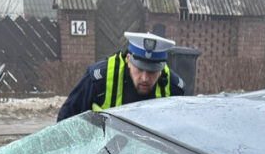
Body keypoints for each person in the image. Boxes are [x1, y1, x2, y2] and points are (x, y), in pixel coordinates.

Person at [57, 31, 185, 121]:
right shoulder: (99, 79)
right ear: (128, 60)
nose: (145, 78)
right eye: (139, 69)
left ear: (161, 68)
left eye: (152, 72)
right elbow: (66, 120)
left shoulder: (174, 88)